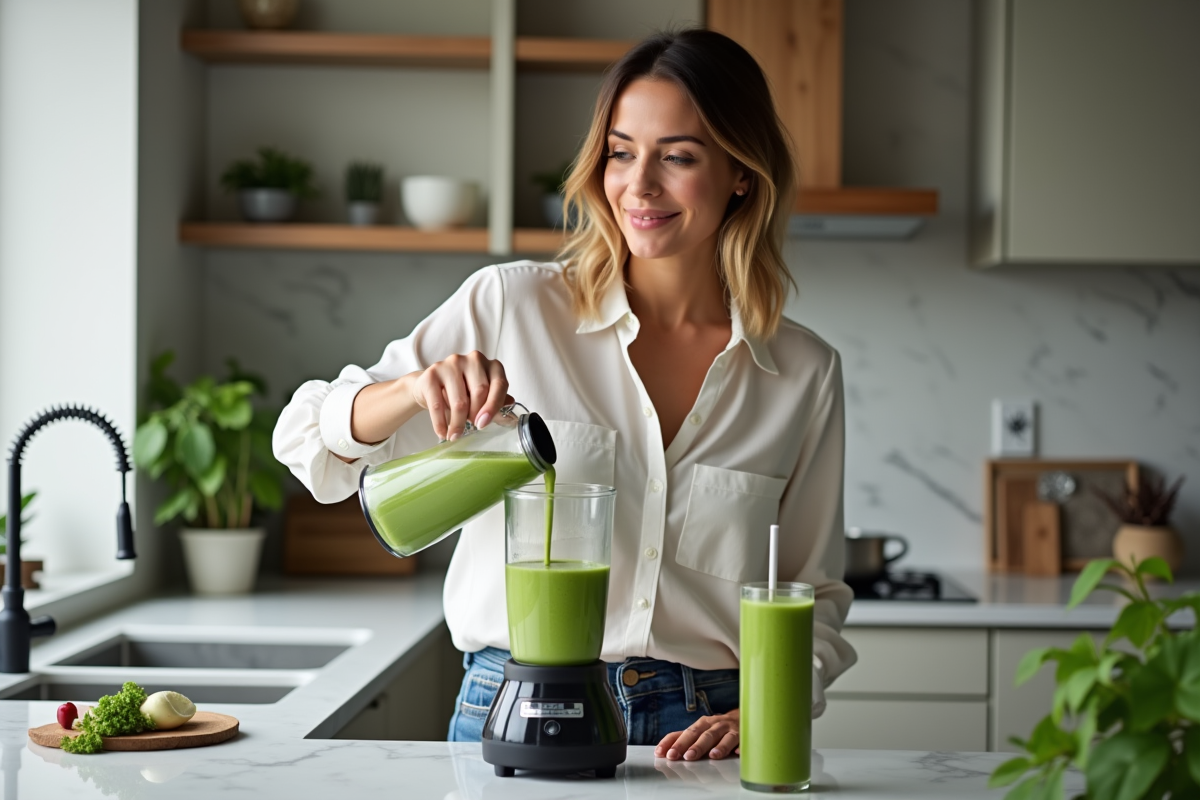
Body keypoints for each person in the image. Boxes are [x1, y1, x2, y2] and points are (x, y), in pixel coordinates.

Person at [273, 28, 856, 762]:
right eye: (620, 152)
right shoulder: (511, 307)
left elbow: (813, 591)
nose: (638, 186)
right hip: (515, 704)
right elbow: (306, 444)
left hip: (706, 731)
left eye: (677, 156)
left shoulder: (801, 372)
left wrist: (776, 705)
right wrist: (413, 391)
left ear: (742, 173)